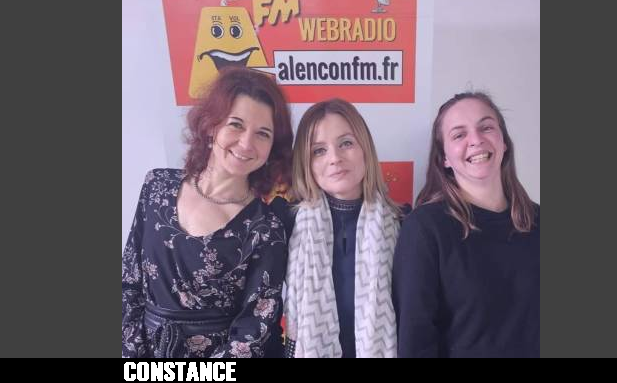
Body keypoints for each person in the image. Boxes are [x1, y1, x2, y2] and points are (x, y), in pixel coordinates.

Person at [121, 67, 293, 358]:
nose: (246, 143)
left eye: (262, 134)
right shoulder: (157, 186)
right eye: (236, 124)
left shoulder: (265, 228)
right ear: (212, 125)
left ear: (271, 148)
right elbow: (128, 282)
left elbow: (253, 332)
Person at [392, 92, 540, 358]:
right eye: (459, 135)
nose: (476, 140)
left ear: (504, 142)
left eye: (486, 127)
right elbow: (415, 342)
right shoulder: (425, 229)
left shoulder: (538, 221)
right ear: (444, 158)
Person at [283, 98, 405, 358]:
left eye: (346, 143)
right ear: (306, 163)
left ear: (364, 148)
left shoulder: (404, 222)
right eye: (319, 151)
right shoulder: (286, 223)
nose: (335, 158)